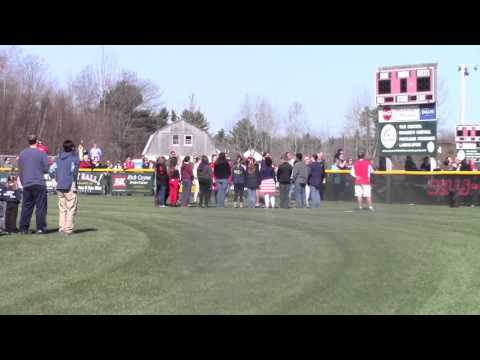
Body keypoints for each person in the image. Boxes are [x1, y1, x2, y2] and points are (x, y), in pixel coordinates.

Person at [18, 134, 49, 235]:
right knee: (40, 207)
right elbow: (46, 168)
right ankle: (40, 228)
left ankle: (23, 228)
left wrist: (23, 182)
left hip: (27, 183)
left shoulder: (22, 153)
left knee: (26, 207)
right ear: (37, 141)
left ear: (28, 141)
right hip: (39, 182)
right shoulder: (42, 153)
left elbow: (21, 169)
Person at [49, 140, 80, 235]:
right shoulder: (74, 159)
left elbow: (50, 170)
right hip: (69, 185)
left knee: (62, 209)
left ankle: (62, 228)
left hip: (59, 186)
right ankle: (68, 229)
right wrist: (74, 184)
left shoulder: (58, 159)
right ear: (72, 148)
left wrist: (54, 180)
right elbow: (74, 173)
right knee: (71, 208)